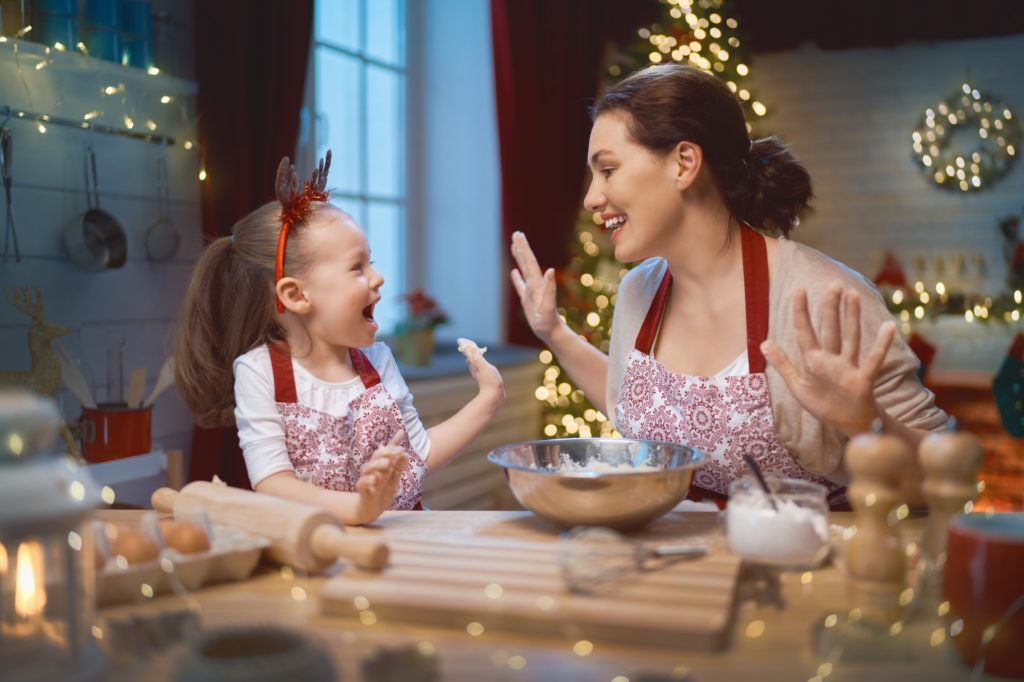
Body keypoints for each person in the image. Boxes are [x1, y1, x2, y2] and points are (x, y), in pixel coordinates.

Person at [510, 64, 946, 507]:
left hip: (803, 564)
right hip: (678, 560)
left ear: (684, 163)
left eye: (607, 169)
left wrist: (867, 424)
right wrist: (554, 333)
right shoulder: (638, 292)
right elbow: (624, 400)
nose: (591, 198)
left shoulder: (823, 296)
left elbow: (938, 478)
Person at [176, 151, 505, 525]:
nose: (378, 277)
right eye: (357, 267)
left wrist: (489, 400)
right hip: (320, 550)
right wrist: (359, 508)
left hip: (404, 540)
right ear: (297, 296)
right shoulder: (259, 372)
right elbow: (272, 482)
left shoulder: (378, 363)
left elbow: (419, 454)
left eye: (372, 261)